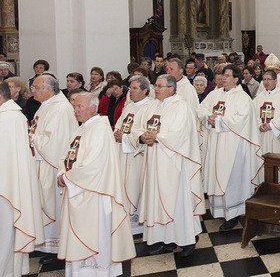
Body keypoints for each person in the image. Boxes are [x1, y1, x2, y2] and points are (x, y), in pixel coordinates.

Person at [56, 92, 136, 275]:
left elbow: (93, 167)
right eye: (74, 106)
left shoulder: (100, 129)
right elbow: (67, 156)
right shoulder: (81, 129)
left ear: (93, 107)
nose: (75, 110)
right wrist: (62, 172)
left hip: (94, 195)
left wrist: (66, 178)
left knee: (95, 236)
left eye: (79, 107)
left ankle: (98, 272)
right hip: (79, 191)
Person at [135, 74, 204, 257]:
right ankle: (164, 240)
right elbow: (140, 126)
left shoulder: (181, 107)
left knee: (177, 202)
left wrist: (157, 137)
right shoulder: (153, 105)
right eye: (155, 85)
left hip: (174, 165)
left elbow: (180, 135)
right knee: (157, 201)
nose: (155, 89)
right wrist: (143, 136)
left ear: (171, 89)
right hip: (154, 160)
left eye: (160, 86)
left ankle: (187, 240)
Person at [197, 65, 262, 231]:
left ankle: (233, 214)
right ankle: (219, 210)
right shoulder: (214, 94)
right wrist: (208, 118)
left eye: (227, 76)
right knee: (217, 174)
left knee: (232, 179)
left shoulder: (243, 98)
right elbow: (201, 108)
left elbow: (240, 120)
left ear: (236, 79)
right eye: (222, 75)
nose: (223, 78)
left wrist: (217, 121)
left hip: (233, 148)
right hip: (215, 143)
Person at [29, 74, 79, 264]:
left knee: (54, 205)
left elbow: (54, 144)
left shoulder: (59, 109)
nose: (32, 90)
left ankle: (57, 248)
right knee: (44, 203)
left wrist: (32, 138)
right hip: (42, 163)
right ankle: (45, 245)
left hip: (52, 165)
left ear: (48, 89)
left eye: (35, 87)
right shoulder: (47, 106)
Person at [0, 82, 43, 277]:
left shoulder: (8, 119)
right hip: (7, 184)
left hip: (7, 187)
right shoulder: (10, 116)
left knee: (5, 233)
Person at [113, 76, 158, 235]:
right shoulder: (128, 107)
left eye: (134, 88)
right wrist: (117, 134)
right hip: (122, 154)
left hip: (138, 155)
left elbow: (147, 132)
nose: (130, 91)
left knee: (136, 187)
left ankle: (139, 220)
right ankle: (126, 219)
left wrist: (125, 137)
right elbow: (118, 125)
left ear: (145, 90)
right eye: (130, 88)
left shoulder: (152, 107)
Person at [254, 70, 280, 183]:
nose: (266, 82)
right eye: (264, 79)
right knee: (261, 163)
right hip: (261, 135)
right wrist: (259, 125)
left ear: (275, 81)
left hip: (276, 136)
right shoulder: (259, 97)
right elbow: (253, 114)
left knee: (278, 164)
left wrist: (271, 125)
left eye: (269, 79)